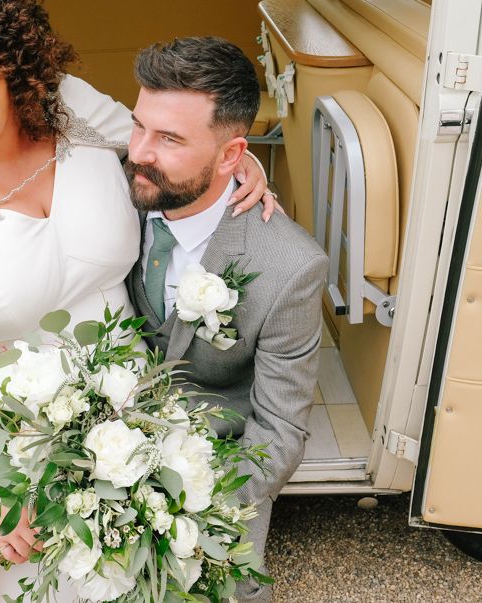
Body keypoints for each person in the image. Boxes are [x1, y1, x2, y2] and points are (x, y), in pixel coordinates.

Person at [0, 0, 274, 603]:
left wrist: (231, 172)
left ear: (0, 48)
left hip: (131, 409)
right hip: (6, 451)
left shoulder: (68, 105)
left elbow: (162, 152)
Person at [124, 36, 329, 602]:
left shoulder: (290, 267)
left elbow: (280, 430)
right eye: (139, 125)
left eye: (168, 139)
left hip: (213, 463)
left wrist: (191, 505)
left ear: (231, 155)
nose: (140, 151)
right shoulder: (117, 193)